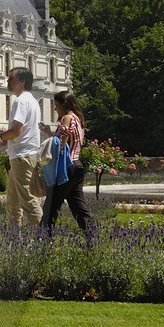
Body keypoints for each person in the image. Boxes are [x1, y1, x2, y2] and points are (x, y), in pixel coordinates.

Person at [0, 67, 46, 226]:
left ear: (22, 82)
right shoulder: (32, 100)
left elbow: (16, 131)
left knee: (28, 200)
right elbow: (23, 132)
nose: (8, 82)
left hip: (22, 156)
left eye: (11, 79)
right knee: (13, 203)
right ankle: (14, 237)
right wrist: (6, 140)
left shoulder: (20, 101)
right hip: (24, 154)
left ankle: (45, 236)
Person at [43, 90, 93, 239]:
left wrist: (49, 138)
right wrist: (50, 133)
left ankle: (43, 242)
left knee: (50, 208)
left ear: (64, 104)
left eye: (57, 105)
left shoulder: (66, 118)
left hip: (66, 167)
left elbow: (60, 144)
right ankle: (93, 238)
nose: (55, 109)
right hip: (77, 165)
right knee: (79, 208)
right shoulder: (78, 119)